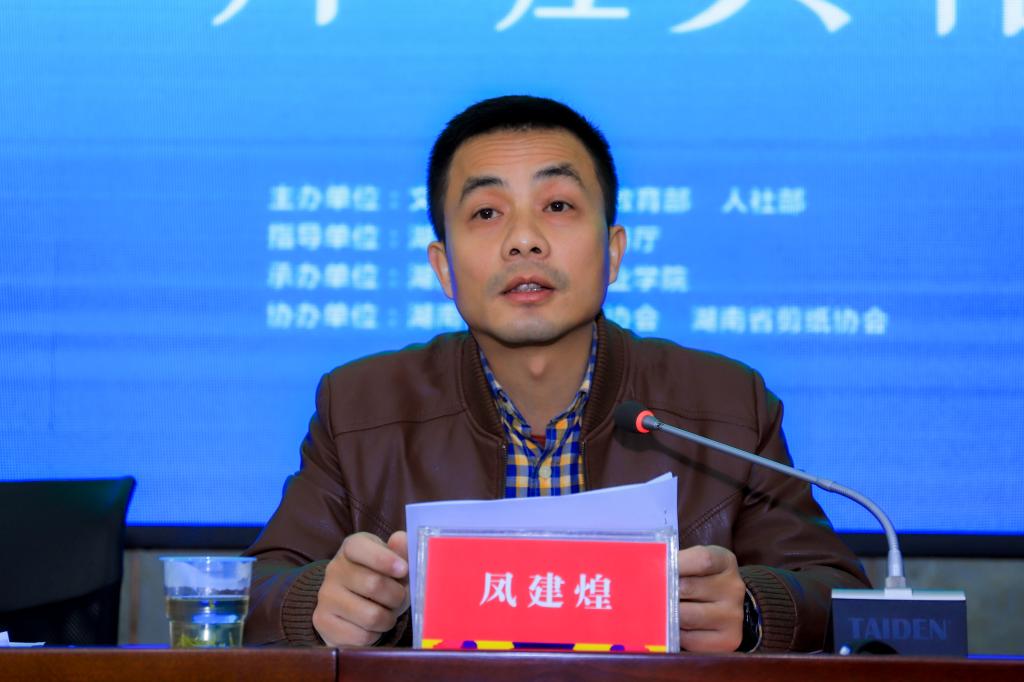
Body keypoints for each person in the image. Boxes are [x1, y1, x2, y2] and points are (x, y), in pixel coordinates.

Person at [243, 95, 869, 652]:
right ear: (443, 267)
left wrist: (752, 612)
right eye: (486, 213)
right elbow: (253, 595)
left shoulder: (726, 404)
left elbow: (842, 599)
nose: (524, 240)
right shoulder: (360, 404)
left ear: (613, 252)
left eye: (559, 205)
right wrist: (319, 601)